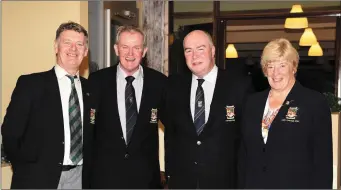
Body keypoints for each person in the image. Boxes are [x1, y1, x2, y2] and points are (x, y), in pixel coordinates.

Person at [1, 21, 92, 189]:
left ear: (85, 51)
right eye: (67, 43)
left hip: (80, 178)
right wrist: (25, 167)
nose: (73, 49)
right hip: (37, 179)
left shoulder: (92, 89)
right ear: (56, 47)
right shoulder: (30, 84)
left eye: (79, 44)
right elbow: (10, 133)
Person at [163, 30, 253, 189]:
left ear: (212, 51)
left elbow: (248, 138)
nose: (194, 56)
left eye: (200, 48)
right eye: (188, 50)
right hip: (182, 182)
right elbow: (171, 133)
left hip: (224, 182)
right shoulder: (173, 87)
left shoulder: (239, 86)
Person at [239, 38, 333, 189]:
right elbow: (244, 155)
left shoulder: (313, 103)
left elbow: (322, 162)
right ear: (264, 69)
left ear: (294, 67)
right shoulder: (252, 103)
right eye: (270, 66)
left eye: (282, 65)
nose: (276, 73)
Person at [87, 25, 167, 189]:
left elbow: (175, 126)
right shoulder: (96, 81)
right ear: (116, 49)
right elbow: (88, 132)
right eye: (125, 47)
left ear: (144, 51)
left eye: (136, 47)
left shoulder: (159, 83)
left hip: (145, 180)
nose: (130, 54)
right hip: (105, 179)